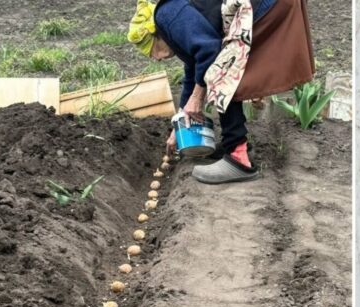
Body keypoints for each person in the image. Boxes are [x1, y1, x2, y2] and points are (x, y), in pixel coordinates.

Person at [127, 0, 315, 184]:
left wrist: (197, 97)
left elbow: (210, 52)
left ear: (155, 36)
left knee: (223, 71)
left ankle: (238, 157)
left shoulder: (167, 15)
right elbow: (193, 70)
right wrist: (180, 123)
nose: (156, 59)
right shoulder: (173, 24)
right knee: (220, 68)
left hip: (267, 4)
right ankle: (233, 146)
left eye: (152, 52)